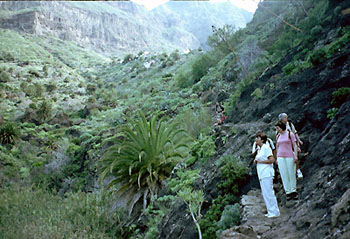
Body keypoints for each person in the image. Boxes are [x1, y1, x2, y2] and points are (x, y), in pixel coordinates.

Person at [254, 132, 280, 218]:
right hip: (261, 174)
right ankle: (270, 211)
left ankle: (275, 212)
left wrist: (261, 162)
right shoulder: (260, 149)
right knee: (265, 193)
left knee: (269, 192)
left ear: (262, 140)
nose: (256, 140)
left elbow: (272, 159)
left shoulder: (266, 148)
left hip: (266, 173)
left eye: (258, 138)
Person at [275, 121, 298, 200]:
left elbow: (294, 145)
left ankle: (293, 190)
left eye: (278, 128)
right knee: (283, 173)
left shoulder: (290, 134)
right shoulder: (278, 136)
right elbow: (277, 146)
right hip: (280, 156)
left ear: (281, 127)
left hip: (289, 155)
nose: (277, 129)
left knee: (291, 172)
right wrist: (276, 157)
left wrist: (295, 155)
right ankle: (288, 191)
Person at [278, 113, 304, 178]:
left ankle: (298, 170)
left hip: (292, 141)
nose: (286, 119)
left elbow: (295, 133)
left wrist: (298, 141)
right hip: (284, 144)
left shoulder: (289, 124)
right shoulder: (279, 126)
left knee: (294, 156)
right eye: (285, 117)